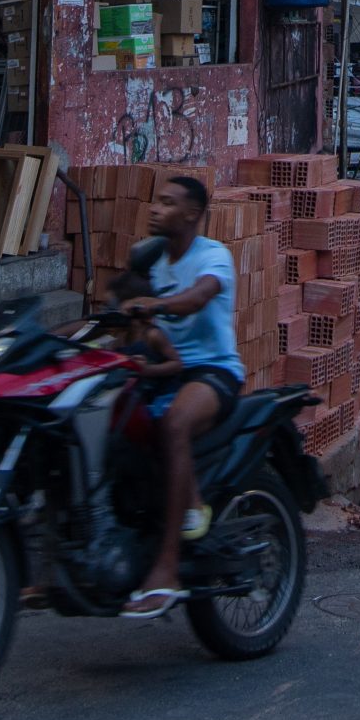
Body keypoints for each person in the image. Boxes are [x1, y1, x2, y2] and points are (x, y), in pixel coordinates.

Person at [112, 174, 243, 619]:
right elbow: (121, 306)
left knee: (174, 424)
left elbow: (197, 297)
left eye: (167, 203)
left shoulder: (214, 256)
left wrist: (157, 306)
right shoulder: (152, 262)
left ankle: (167, 568)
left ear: (192, 214)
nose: (154, 209)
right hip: (164, 370)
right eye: (155, 201)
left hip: (212, 372)